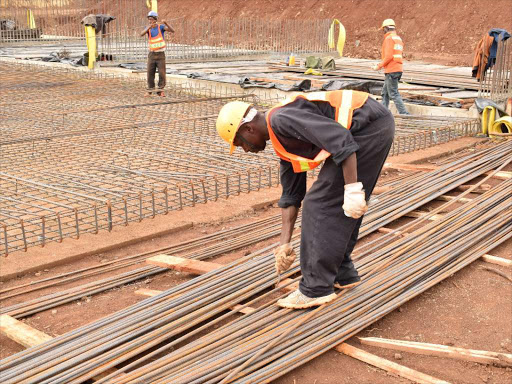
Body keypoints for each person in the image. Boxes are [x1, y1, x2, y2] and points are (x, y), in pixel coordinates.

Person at [216, 90, 395, 309]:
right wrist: (284, 244)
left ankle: (315, 289)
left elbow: (342, 140)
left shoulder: (281, 120)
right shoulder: (280, 138)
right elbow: (291, 195)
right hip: (371, 127)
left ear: (248, 128)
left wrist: (352, 188)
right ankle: (342, 272)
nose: (245, 149)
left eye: (241, 142)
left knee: (318, 204)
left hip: (368, 127)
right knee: (331, 201)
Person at [372, 19, 410, 115]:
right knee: (385, 93)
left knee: (393, 93)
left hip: (392, 70)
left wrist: (379, 66)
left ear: (386, 28)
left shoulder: (389, 39)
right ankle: (383, 113)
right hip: (397, 69)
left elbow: (388, 56)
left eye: (383, 29)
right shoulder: (397, 38)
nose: (383, 31)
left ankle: (404, 114)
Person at [140, 11, 174, 97]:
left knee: (162, 73)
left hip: (160, 55)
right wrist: (148, 27)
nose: (150, 21)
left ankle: (160, 90)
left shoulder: (161, 27)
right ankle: (150, 90)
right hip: (152, 54)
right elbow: (141, 34)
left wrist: (166, 23)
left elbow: (172, 31)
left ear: (155, 19)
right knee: (150, 73)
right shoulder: (148, 28)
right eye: (149, 19)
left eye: (151, 19)